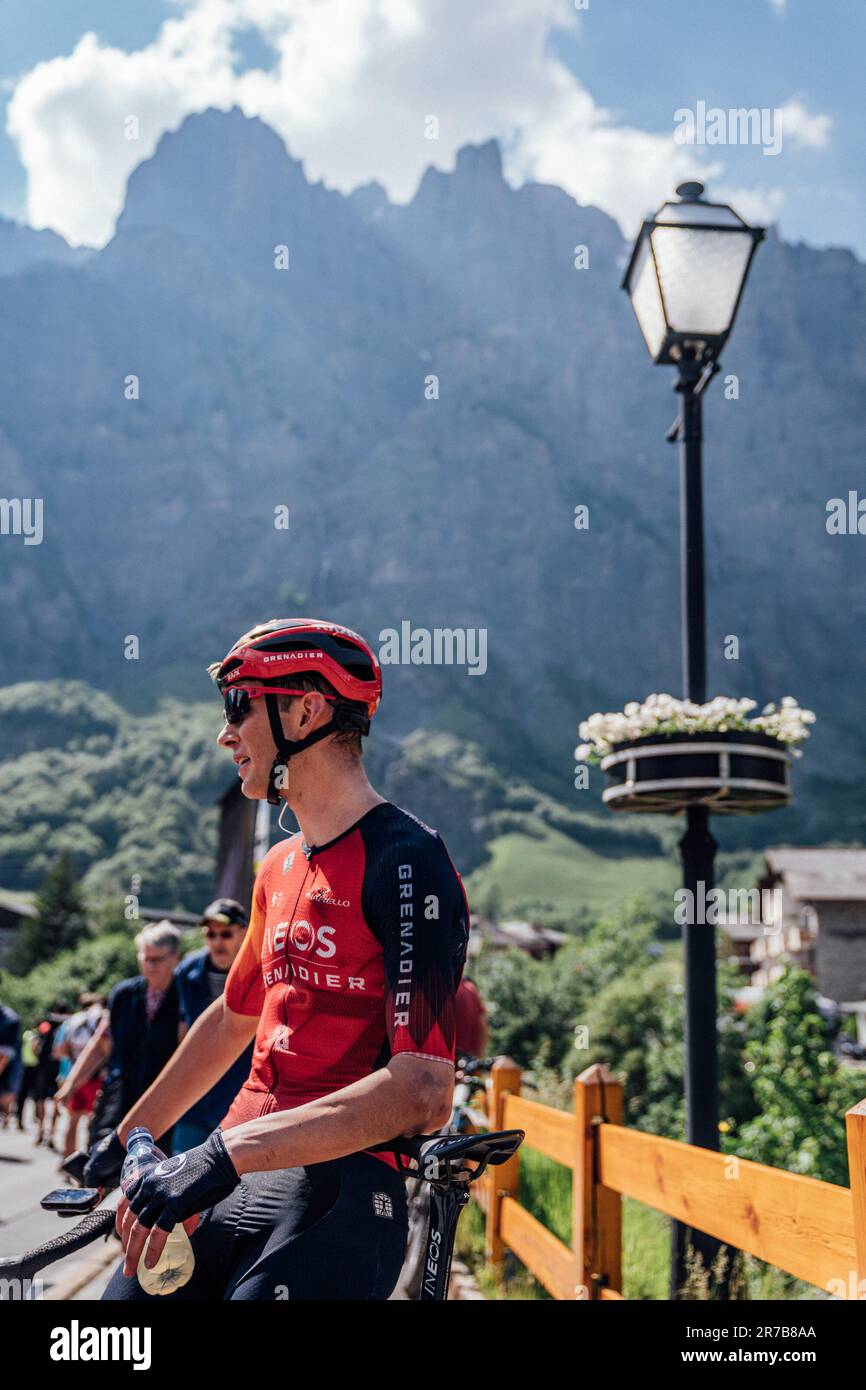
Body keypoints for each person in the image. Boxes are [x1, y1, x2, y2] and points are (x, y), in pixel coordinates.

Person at [87, 618, 469, 1302]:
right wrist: (126, 1138)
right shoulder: (277, 867)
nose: (224, 735)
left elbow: (424, 1091)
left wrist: (220, 1155)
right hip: (232, 1166)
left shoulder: (408, 863)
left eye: (239, 707)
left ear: (305, 709)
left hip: (345, 1179)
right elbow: (234, 1018)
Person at [60, 923, 182, 1153]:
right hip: (120, 1094)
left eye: (157, 960)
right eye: (145, 958)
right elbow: (102, 1043)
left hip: (164, 1100)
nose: (149, 966)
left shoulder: (185, 995)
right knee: (101, 1160)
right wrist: (71, 1084)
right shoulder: (124, 994)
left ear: (176, 957)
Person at [172, 899, 254, 1151]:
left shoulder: (259, 969)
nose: (217, 941)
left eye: (226, 933)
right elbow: (184, 1027)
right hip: (194, 1094)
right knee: (179, 1172)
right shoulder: (187, 971)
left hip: (240, 1089)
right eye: (210, 933)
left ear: (243, 932)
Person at [53, 993, 106, 1163]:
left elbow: (60, 1050)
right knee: (94, 1123)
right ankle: (89, 1164)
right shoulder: (102, 1018)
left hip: (72, 1076)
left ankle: (67, 1161)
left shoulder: (71, 1022)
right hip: (97, 1078)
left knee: (72, 1121)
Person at [455, 976, 489, 1059]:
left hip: (446, 1063)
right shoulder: (471, 989)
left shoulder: (441, 985)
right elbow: (484, 1031)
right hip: (469, 1062)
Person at [0, 1001, 22, 1129]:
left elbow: (5, 1055)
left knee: (6, 1096)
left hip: (7, 1067)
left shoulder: (10, 1019)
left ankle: (6, 1118)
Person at [15, 1023, 40, 1129]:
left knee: (22, 1095)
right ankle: (35, 1117)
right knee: (35, 1095)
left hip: (23, 1066)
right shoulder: (33, 1035)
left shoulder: (25, 1034)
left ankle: (19, 1117)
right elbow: (33, 1048)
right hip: (32, 1067)